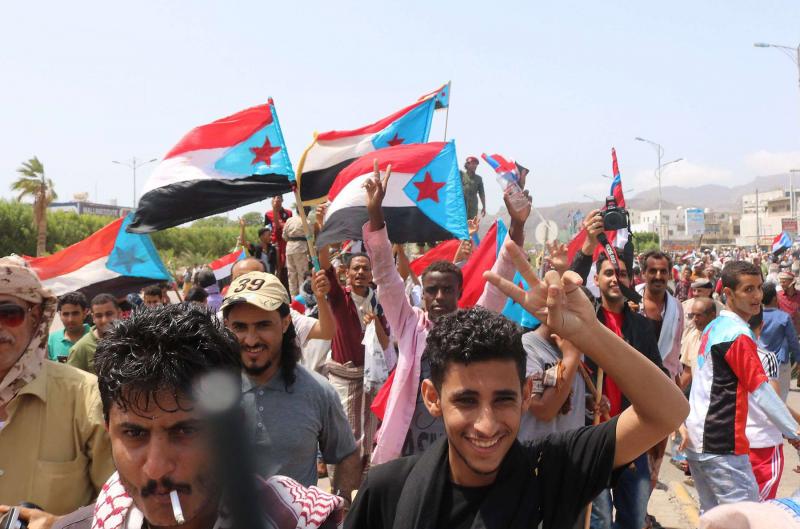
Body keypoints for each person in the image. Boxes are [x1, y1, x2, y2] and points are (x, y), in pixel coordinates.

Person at [346, 257, 689, 529]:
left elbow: (668, 412)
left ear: (526, 394)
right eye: (466, 400)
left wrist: (590, 335)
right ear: (432, 398)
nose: (486, 424)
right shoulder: (387, 489)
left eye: (503, 399)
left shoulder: (553, 469)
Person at [52, 303, 345, 529]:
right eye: (134, 433)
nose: (156, 469)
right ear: (108, 431)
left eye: (184, 431)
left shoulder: (300, 521)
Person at [362, 164, 530, 464]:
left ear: (458, 293)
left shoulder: (473, 327)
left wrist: (516, 226)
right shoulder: (409, 325)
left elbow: (501, 276)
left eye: (447, 290)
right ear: (422, 293)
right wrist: (376, 215)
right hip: (407, 455)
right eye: (431, 290)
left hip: (461, 457)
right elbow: (386, 276)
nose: (439, 297)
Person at [221, 272, 360, 502]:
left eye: (263, 325)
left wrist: (340, 505)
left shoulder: (318, 392)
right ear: (226, 326)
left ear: (286, 323)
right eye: (240, 327)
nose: (251, 339)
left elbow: (346, 455)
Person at [0, 256, 113, 521]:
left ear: (35, 317)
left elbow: (123, 506)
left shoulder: (87, 398)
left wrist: (61, 526)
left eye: (8, 314)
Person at [682, 261, 800, 513]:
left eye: (758, 288)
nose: (757, 296)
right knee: (746, 518)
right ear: (728, 293)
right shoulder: (737, 334)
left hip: (699, 443)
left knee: (714, 518)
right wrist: (794, 435)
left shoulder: (714, 326)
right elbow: (762, 391)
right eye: (748, 289)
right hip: (721, 444)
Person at [587, 254, 665, 529]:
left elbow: (658, 379)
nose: (614, 279)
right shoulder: (586, 321)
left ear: (630, 280)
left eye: (620, 273)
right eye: (608, 273)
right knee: (600, 521)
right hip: (594, 436)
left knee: (633, 517)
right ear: (596, 280)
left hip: (633, 437)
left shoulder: (642, 327)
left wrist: (657, 446)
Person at [318, 244, 390, 467]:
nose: (360, 273)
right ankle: (342, 491)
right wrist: (323, 235)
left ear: (371, 274)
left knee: (371, 431)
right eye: (356, 269)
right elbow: (324, 264)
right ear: (346, 273)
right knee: (344, 432)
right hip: (344, 379)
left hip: (370, 379)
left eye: (365, 269)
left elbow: (386, 343)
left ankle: (366, 483)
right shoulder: (340, 297)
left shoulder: (379, 302)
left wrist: (375, 322)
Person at [519, 319, 585, 442]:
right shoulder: (527, 347)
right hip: (539, 456)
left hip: (572, 453)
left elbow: (569, 392)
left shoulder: (575, 345)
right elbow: (543, 409)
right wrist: (570, 358)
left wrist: (587, 401)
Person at [635, 251, 683, 380]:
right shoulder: (629, 302)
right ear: (643, 274)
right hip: (633, 379)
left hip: (666, 381)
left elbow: (675, 352)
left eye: (663, 271)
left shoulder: (677, 308)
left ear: (669, 275)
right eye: (653, 271)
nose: (658, 276)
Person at [760, 281, 800, 400]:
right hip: (780, 363)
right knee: (781, 399)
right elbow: (793, 341)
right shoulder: (783, 317)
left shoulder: (755, 316)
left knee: (764, 398)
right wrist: (799, 360)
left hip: (760, 362)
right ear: (774, 298)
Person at [66, 293, 121, 374]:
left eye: (109, 314)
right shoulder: (80, 348)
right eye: (99, 316)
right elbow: (72, 382)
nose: (104, 320)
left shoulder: (132, 338)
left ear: (119, 314)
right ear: (93, 318)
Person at [678, 297, 717, 391]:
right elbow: (688, 371)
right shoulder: (692, 337)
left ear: (712, 316)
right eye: (693, 315)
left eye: (699, 315)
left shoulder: (722, 340)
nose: (694, 319)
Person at [47, 291, 90, 362]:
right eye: (66, 314)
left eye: (75, 313)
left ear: (85, 313)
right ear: (60, 315)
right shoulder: (51, 340)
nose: (70, 319)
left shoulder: (96, 337)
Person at [282, 206, 309, 298]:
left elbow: (284, 236)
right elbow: (310, 237)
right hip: (301, 247)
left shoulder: (289, 220)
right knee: (302, 274)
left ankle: (294, 299)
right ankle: (303, 297)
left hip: (289, 248)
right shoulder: (306, 221)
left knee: (291, 275)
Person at [265, 195, 293, 281]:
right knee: (276, 268)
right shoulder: (268, 214)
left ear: (282, 200)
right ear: (271, 200)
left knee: (288, 267)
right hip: (275, 244)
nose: (276, 200)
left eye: (279, 198)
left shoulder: (288, 213)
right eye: (274, 198)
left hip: (286, 242)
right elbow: (267, 230)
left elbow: (291, 226)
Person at [459, 156, 486, 220]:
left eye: (476, 164)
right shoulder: (461, 174)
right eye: (473, 164)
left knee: (472, 226)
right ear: (467, 165)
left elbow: (482, 194)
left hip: (473, 206)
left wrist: (484, 206)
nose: (475, 166)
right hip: (461, 205)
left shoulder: (478, 179)